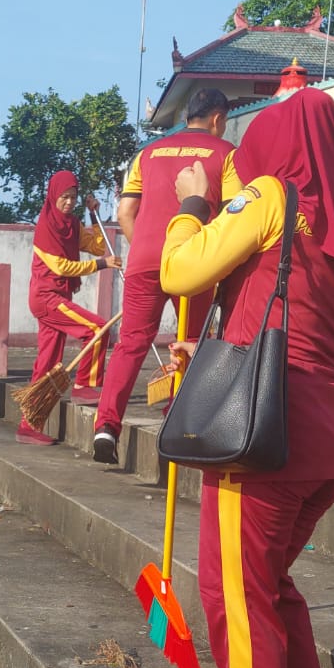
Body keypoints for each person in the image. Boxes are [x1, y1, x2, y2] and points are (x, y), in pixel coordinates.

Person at [157, 88, 334, 668]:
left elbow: (178, 271)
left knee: (236, 594)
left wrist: (192, 203)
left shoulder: (267, 197)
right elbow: (283, 311)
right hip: (322, 431)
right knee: (274, 586)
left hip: (260, 431)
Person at [93, 88, 236, 465]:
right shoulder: (226, 155)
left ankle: (106, 426)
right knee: (191, 340)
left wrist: (145, 249)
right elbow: (233, 218)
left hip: (144, 258)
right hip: (194, 259)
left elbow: (125, 212)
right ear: (218, 119)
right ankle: (177, 418)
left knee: (131, 344)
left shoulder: (147, 153)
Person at [18, 170, 121, 446]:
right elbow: (61, 266)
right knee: (97, 328)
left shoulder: (72, 225)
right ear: (53, 196)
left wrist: (93, 215)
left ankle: (29, 425)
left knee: (49, 364)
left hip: (58, 296)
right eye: (64, 197)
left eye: (73, 198)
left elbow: (99, 246)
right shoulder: (46, 226)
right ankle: (84, 385)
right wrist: (102, 265)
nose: (68, 202)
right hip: (46, 297)